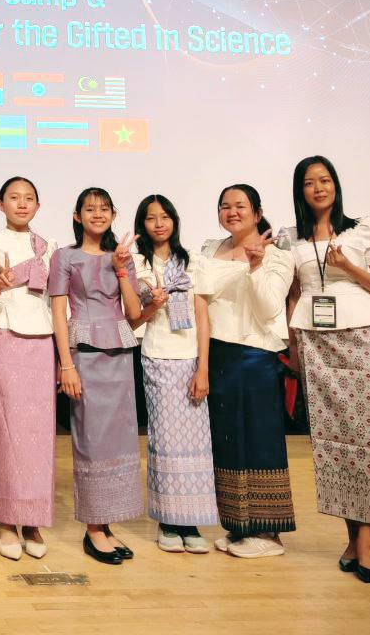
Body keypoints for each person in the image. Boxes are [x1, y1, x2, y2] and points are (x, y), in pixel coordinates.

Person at [285, 156, 370, 583]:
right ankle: (353, 540)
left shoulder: (362, 228)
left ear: (336, 185)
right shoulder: (290, 238)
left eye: (325, 180)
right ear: (300, 190)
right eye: (309, 182)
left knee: (366, 438)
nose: (319, 188)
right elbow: (293, 295)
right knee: (332, 442)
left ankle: (367, 542)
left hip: (360, 336)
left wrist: (348, 266)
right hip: (315, 342)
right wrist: (293, 347)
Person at [197, 183, 297, 558]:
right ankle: (239, 526)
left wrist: (255, 266)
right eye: (225, 206)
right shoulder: (210, 249)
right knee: (228, 443)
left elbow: (270, 309)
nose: (232, 212)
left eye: (240, 206)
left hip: (255, 355)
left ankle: (269, 533)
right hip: (218, 354)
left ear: (257, 213)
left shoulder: (278, 255)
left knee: (259, 441)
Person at [49, 187, 144, 566]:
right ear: (77, 216)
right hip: (84, 355)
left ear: (114, 214)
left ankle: (106, 524)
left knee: (118, 441)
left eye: (104, 209)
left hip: (119, 354)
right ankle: (92, 529)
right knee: (91, 440)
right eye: (90, 209)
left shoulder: (122, 257)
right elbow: (58, 314)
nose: (98, 214)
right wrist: (66, 364)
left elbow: (133, 312)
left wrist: (121, 267)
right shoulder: (65, 256)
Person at [0, 176, 57, 561]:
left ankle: (33, 520)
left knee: (38, 435)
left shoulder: (49, 247)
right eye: (14, 198)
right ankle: (6, 520)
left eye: (29, 198)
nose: (22, 204)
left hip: (40, 343)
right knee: (4, 432)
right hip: (3, 339)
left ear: (37, 205)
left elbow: (55, 302)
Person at [130, 194, 217, 554]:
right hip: (158, 357)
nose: (159, 223)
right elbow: (133, 318)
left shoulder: (193, 260)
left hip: (191, 360)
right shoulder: (137, 263)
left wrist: (203, 368)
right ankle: (168, 520)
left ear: (175, 220)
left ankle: (191, 522)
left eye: (165, 216)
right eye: (151, 218)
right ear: (142, 224)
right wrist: (153, 303)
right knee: (165, 443)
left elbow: (202, 316)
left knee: (195, 446)